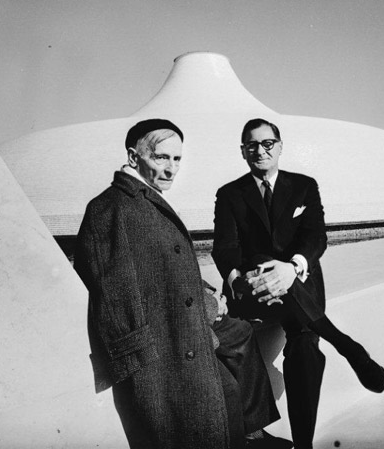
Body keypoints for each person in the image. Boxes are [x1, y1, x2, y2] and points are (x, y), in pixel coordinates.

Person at [75, 119, 291, 449]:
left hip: (183, 329)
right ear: (134, 157)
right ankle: (251, 437)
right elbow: (114, 292)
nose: (171, 169)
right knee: (219, 399)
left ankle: (253, 435)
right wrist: (145, 370)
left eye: (177, 159)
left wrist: (206, 294)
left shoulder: (145, 199)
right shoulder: (110, 209)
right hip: (166, 346)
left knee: (232, 374)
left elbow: (170, 264)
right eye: (161, 158)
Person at [212, 118, 384, 449]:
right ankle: (347, 346)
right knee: (267, 270)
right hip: (252, 288)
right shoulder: (230, 194)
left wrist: (292, 267)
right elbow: (224, 248)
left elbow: (315, 237)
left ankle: (303, 445)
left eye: (267, 144)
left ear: (280, 147)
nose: (260, 151)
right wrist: (238, 279)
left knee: (305, 347)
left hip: (298, 284)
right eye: (252, 145)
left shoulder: (304, 186)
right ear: (243, 151)